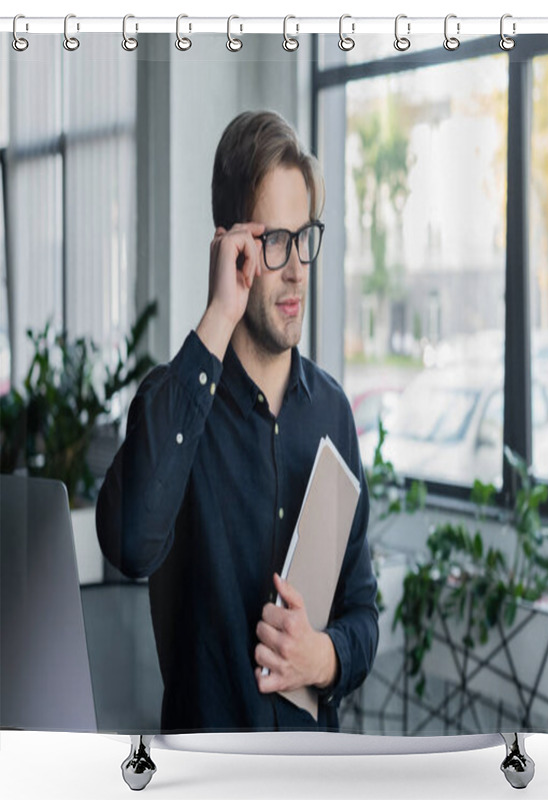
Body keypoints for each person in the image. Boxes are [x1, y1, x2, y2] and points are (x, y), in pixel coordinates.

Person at [96, 111, 379, 733]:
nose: (296, 268)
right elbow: (127, 545)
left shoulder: (333, 413)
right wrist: (219, 316)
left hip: (311, 770)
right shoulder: (173, 404)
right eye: (273, 241)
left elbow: (362, 612)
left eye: (304, 238)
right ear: (231, 244)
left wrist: (322, 656)